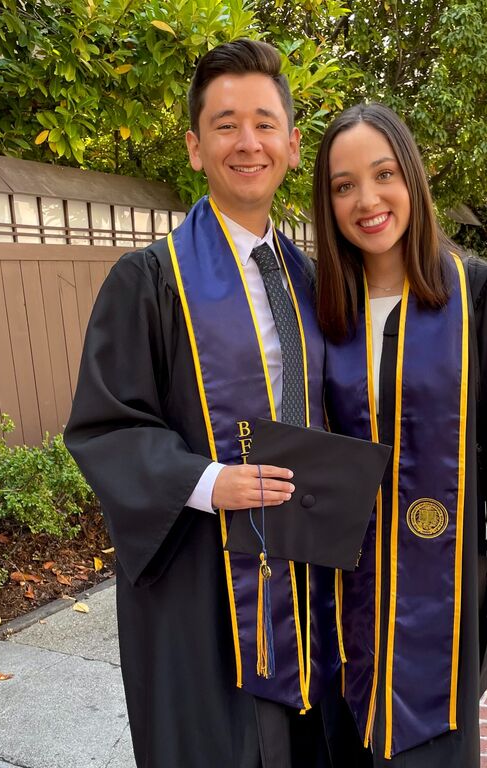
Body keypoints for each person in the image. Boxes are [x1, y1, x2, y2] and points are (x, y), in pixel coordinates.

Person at [65, 39, 341, 768]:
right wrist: (208, 482)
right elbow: (105, 424)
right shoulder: (147, 280)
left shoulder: (313, 280)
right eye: (224, 125)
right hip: (200, 577)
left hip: (306, 569)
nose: (246, 142)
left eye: (262, 123)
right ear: (195, 148)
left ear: (290, 144)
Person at [312, 103, 487, 767]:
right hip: (341, 586)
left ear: (412, 179)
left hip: (440, 578)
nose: (367, 200)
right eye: (343, 186)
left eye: (383, 174)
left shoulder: (477, 293)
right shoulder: (321, 305)